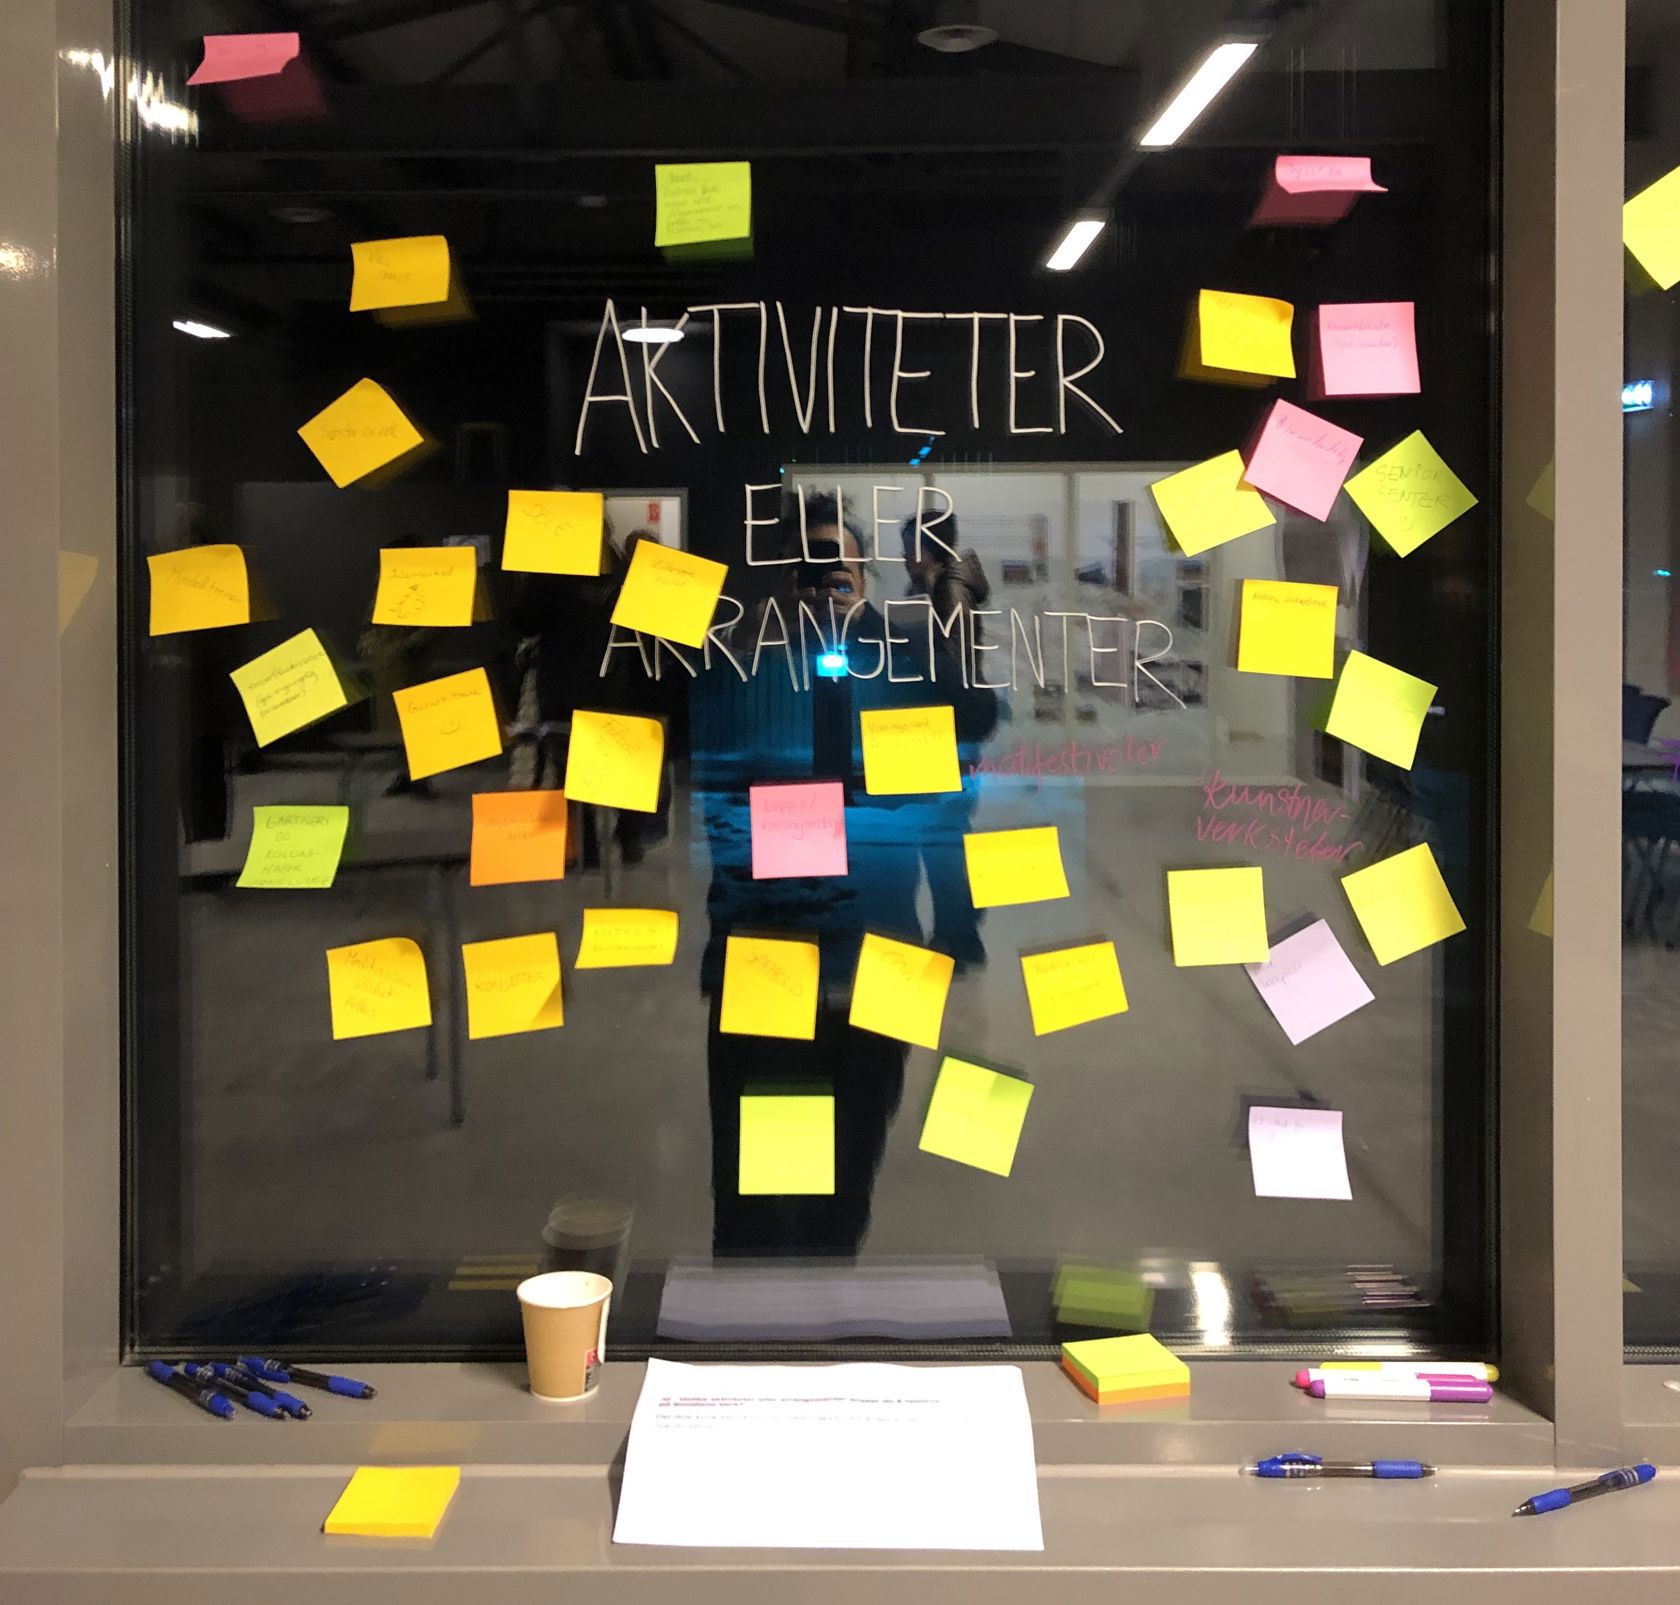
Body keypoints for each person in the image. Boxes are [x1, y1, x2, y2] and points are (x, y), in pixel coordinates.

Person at [696, 492, 997, 1256]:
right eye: (807, 570)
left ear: (865, 579)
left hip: (883, 951)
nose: (824, 586)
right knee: (760, 1195)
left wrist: (908, 625)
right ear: (781, 579)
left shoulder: (898, 660)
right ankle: (760, 1316)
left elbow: (968, 740)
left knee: (847, 1181)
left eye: (842, 572)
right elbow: (691, 757)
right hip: (768, 950)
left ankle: (820, 1299)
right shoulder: (748, 667)